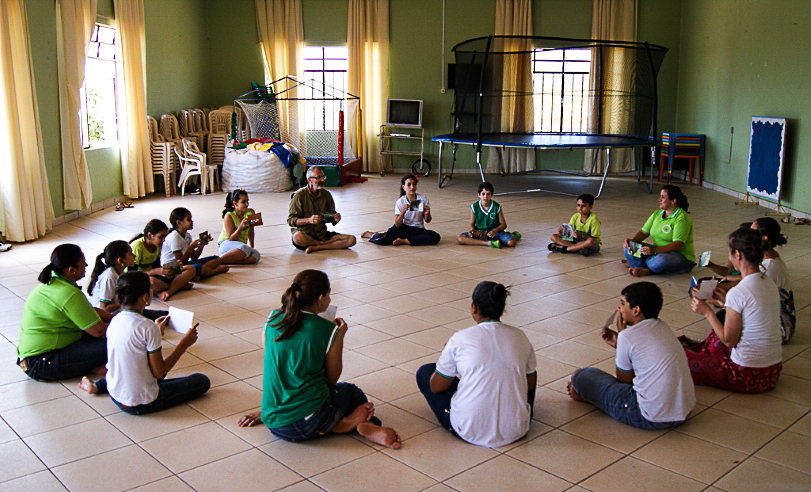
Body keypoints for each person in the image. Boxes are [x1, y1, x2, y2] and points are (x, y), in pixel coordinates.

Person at [237, 269, 401, 448]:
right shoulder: (327, 329)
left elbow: (271, 355)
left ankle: (339, 424)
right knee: (351, 392)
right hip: (310, 422)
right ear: (321, 298)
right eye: (330, 295)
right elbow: (332, 379)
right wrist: (339, 336)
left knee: (294, 380)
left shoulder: (273, 318)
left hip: (274, 422)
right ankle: (359, 424)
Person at [416, 281, 537, 447]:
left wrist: (447, 358)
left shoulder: (460, 338)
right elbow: (530, 385)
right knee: (528, 372)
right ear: (502, 309)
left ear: (474, 308)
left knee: (425, 372)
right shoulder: (520, 336)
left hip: (468, 429)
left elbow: (437, 387)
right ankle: (516, 410)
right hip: (518, 428)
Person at [567, 282, 695, 429]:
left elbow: (624, 382)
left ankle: (589, 397)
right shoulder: (663, 327)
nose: (619, 309)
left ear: (636, 310)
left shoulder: (627, 337)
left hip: (649, 416)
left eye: (622, 304)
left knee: (580, 376)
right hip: (685, 410)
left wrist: (622, 338)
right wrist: (620, 344)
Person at [79, 271, 210, 414]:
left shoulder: (114, 320)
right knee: (201, 381)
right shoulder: (148, 327)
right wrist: (184, 344)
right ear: (146, 297)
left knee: (129, 367)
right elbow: (159, 372)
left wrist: (157, 333)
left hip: (115, 393)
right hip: (141, 403)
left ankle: (98, 386)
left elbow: (137, 346)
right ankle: (103, 387)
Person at [685, 227, 783, 393]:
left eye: (730, 253)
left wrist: (707, 311)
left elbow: (729, 341)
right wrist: (724, 305)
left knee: (677, 358)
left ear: (738, 255)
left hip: (746, 374)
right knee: (714, 340)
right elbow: (752, 316)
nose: (729, 257)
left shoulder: (739, 292)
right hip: (772, 372)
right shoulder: (768, 282)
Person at [16, 244, 111, 381]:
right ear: (71, 270)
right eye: (83, 263)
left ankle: (90, 366)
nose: (86, 264)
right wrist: (129, 326)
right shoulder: (68, 293)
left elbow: (88, 312)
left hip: (29, 359)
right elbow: (99, 331)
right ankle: (90, 367)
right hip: (41, 363)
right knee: (121, 341)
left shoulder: (53, 282)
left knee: (110, 335)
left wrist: (118, 317)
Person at [622, 184, 695, 276]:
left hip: (678, 256)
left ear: (673, 201)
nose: (659, 200)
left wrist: (654, 251)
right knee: (630, 247)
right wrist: (632, 241)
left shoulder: (681, 218)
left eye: (663, 197)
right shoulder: (657, 214)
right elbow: (643, 233)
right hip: (657, 253)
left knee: (661, 261)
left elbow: (677, 245)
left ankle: (640, 265)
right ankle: (642, 267)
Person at [87, 240, 168, 322]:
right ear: (120, 261)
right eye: (131, 253)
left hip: (123, 311)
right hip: (112, 317)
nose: (134, 255)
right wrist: (128, 299)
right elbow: (104, 309)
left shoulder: (120, 272)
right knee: (158, 319)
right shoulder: (110, 276)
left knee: (164, 315)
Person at [288, 166, 356, 253]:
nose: (322, 180)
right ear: (309, 179)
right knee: (298, 237)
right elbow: (291, 220)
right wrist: (308, 220)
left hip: (321, 234)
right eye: (318, 178)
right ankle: (325, 244)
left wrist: (335, 218)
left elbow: (331, 216)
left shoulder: (327, 195)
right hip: (305, 234)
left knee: (351, 240)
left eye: (323, 177)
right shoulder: (299, 195)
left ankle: (318, 247)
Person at [361, 174, 441, 246]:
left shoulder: (423, 198)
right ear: (403, 187)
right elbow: (397, 224)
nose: (412, 187)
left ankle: (404, 241)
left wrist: (427, 213)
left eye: (414, 184)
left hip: (418, 229)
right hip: (403, 228)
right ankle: (373, 235)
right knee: (384, 240)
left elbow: (427, 220)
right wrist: (403, 212)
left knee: (435, 237)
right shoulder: (400, 201)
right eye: (409, 185)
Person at [131, 219, 196, 301]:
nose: (163, 240)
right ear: (150, 235)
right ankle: (176, 286)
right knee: (151, 282)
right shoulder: (137, 247)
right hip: (141, 278)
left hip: (156, 276)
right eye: (160, 237)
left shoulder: (157, 245)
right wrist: (155, 272)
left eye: (165, 237)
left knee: (190, 269)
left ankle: (168, 291)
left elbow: (158, 266)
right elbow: (131, 276)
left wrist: (174, 266)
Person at [163, 207, 230, 279]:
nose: (192, 221)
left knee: (217, 259)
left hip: (184, 265)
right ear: (179, 222)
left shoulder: (187, 235)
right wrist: (191, 248)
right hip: (171, 268)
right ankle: (213, 271)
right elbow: (180, 262)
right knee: (198, 266)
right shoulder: (174, 237)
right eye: (189, 219)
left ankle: (195, 274)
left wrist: (201, 245)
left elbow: (194, 257)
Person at [456, 181, 519, 248]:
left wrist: (494, 231)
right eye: (483, 194)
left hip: (495, 232)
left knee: (511, 242)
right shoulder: (474, 207)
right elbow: (472, 224)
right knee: (460, 238)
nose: (485, 197)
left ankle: (509, 235)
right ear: (479, 195)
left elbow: (503, 225)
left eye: (488, 194)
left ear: (491, 195)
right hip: (480, 232)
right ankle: (489, 243)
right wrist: (473, 231)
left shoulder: (496, 207)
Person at [218, 189, 261, 264]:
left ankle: (231, 261)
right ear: (235, 203)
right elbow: (231, 238)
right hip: (226, 243)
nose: (247, 204)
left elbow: (251, 231)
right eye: (243, 202)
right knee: (245, 248)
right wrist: (240, 227)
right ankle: (218, 261)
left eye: (247, 201)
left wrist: (252, 246)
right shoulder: (229, 216)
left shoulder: (250, 212)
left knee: (256, 255)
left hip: (241, 245)